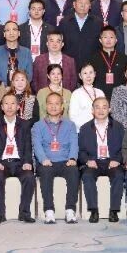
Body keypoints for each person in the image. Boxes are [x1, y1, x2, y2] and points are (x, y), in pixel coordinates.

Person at [33, 92, 80, 224]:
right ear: (46, 106)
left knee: (74, 171)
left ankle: (70, 210)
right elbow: (37, 145)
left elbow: (74, 143)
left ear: (62, 107)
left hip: (65, 161)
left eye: (57, 104)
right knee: (45, 172)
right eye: (50, 103)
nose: (53, 107)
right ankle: (49, 211)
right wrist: (43, 159)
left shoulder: (70, 125)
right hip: (47, 161)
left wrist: (72, 158)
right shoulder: (38, 126)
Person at [0, 92, 36, 224]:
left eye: (12, 104)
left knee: (29, 177)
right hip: (2, 163)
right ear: (2, 107)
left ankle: (24, 213)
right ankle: (0, 214)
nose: (9, 107)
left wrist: (27, 162)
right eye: (6, 104)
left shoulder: (25, 124)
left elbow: (27, 145)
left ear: (18, 107)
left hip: (19, 162)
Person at [79, 96, 125, 223]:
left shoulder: (118, 127)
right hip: (93, 161)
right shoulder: (85, 128)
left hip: (112, 161)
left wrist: (117, 159)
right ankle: (93, 210)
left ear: (109, 110)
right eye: (97, 107)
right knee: (87, 176)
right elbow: (81, 151)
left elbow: (125, 148)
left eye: (104, 107)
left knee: (119, 175)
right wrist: (87, 160)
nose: (101, 110)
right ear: (92, 110)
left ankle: (114, 211)